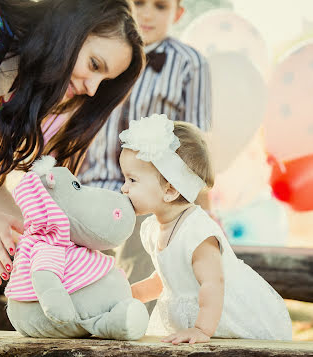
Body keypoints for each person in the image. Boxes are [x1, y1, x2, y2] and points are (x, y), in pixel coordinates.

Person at [0, 0, 144, 286]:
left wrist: (59, 249)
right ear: (70, 30)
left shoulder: (13, 84)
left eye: (103, 82)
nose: (92, 90)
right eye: (94, 65)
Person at [77, 0, 211, 304]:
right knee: (84, 285)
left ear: (178, 13)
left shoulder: (190, 63)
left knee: (136, 289)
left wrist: (200, 205)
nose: (147, 13)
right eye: (139, 3)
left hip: (147, 200)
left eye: (160, 6)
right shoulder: (100, 51)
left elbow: (196, 141)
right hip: (90, 189)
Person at [119, 114, 292, 343]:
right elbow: (165, 280)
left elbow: (213, 283)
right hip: (197, 317)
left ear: (170, 190)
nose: (123, 189)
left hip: (223, 318)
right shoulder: (153, 228)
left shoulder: (197, 231)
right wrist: (129, 294)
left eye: (132, 180)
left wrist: (201, 329)